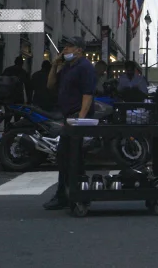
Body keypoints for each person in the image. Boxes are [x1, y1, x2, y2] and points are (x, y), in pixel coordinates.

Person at [42, 37, 96, 211]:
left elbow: (88, 95)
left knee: (67, 155)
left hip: (76, 118)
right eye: (64, 47)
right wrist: (54, 65)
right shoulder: (67, 68)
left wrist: (80, 120)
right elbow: (50, 86)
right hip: (68, 117)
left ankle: (66, 195)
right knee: (71, 157)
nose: (65, 50)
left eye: (69, 47)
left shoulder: (85, 67)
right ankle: (75, 193)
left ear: (79, 50)